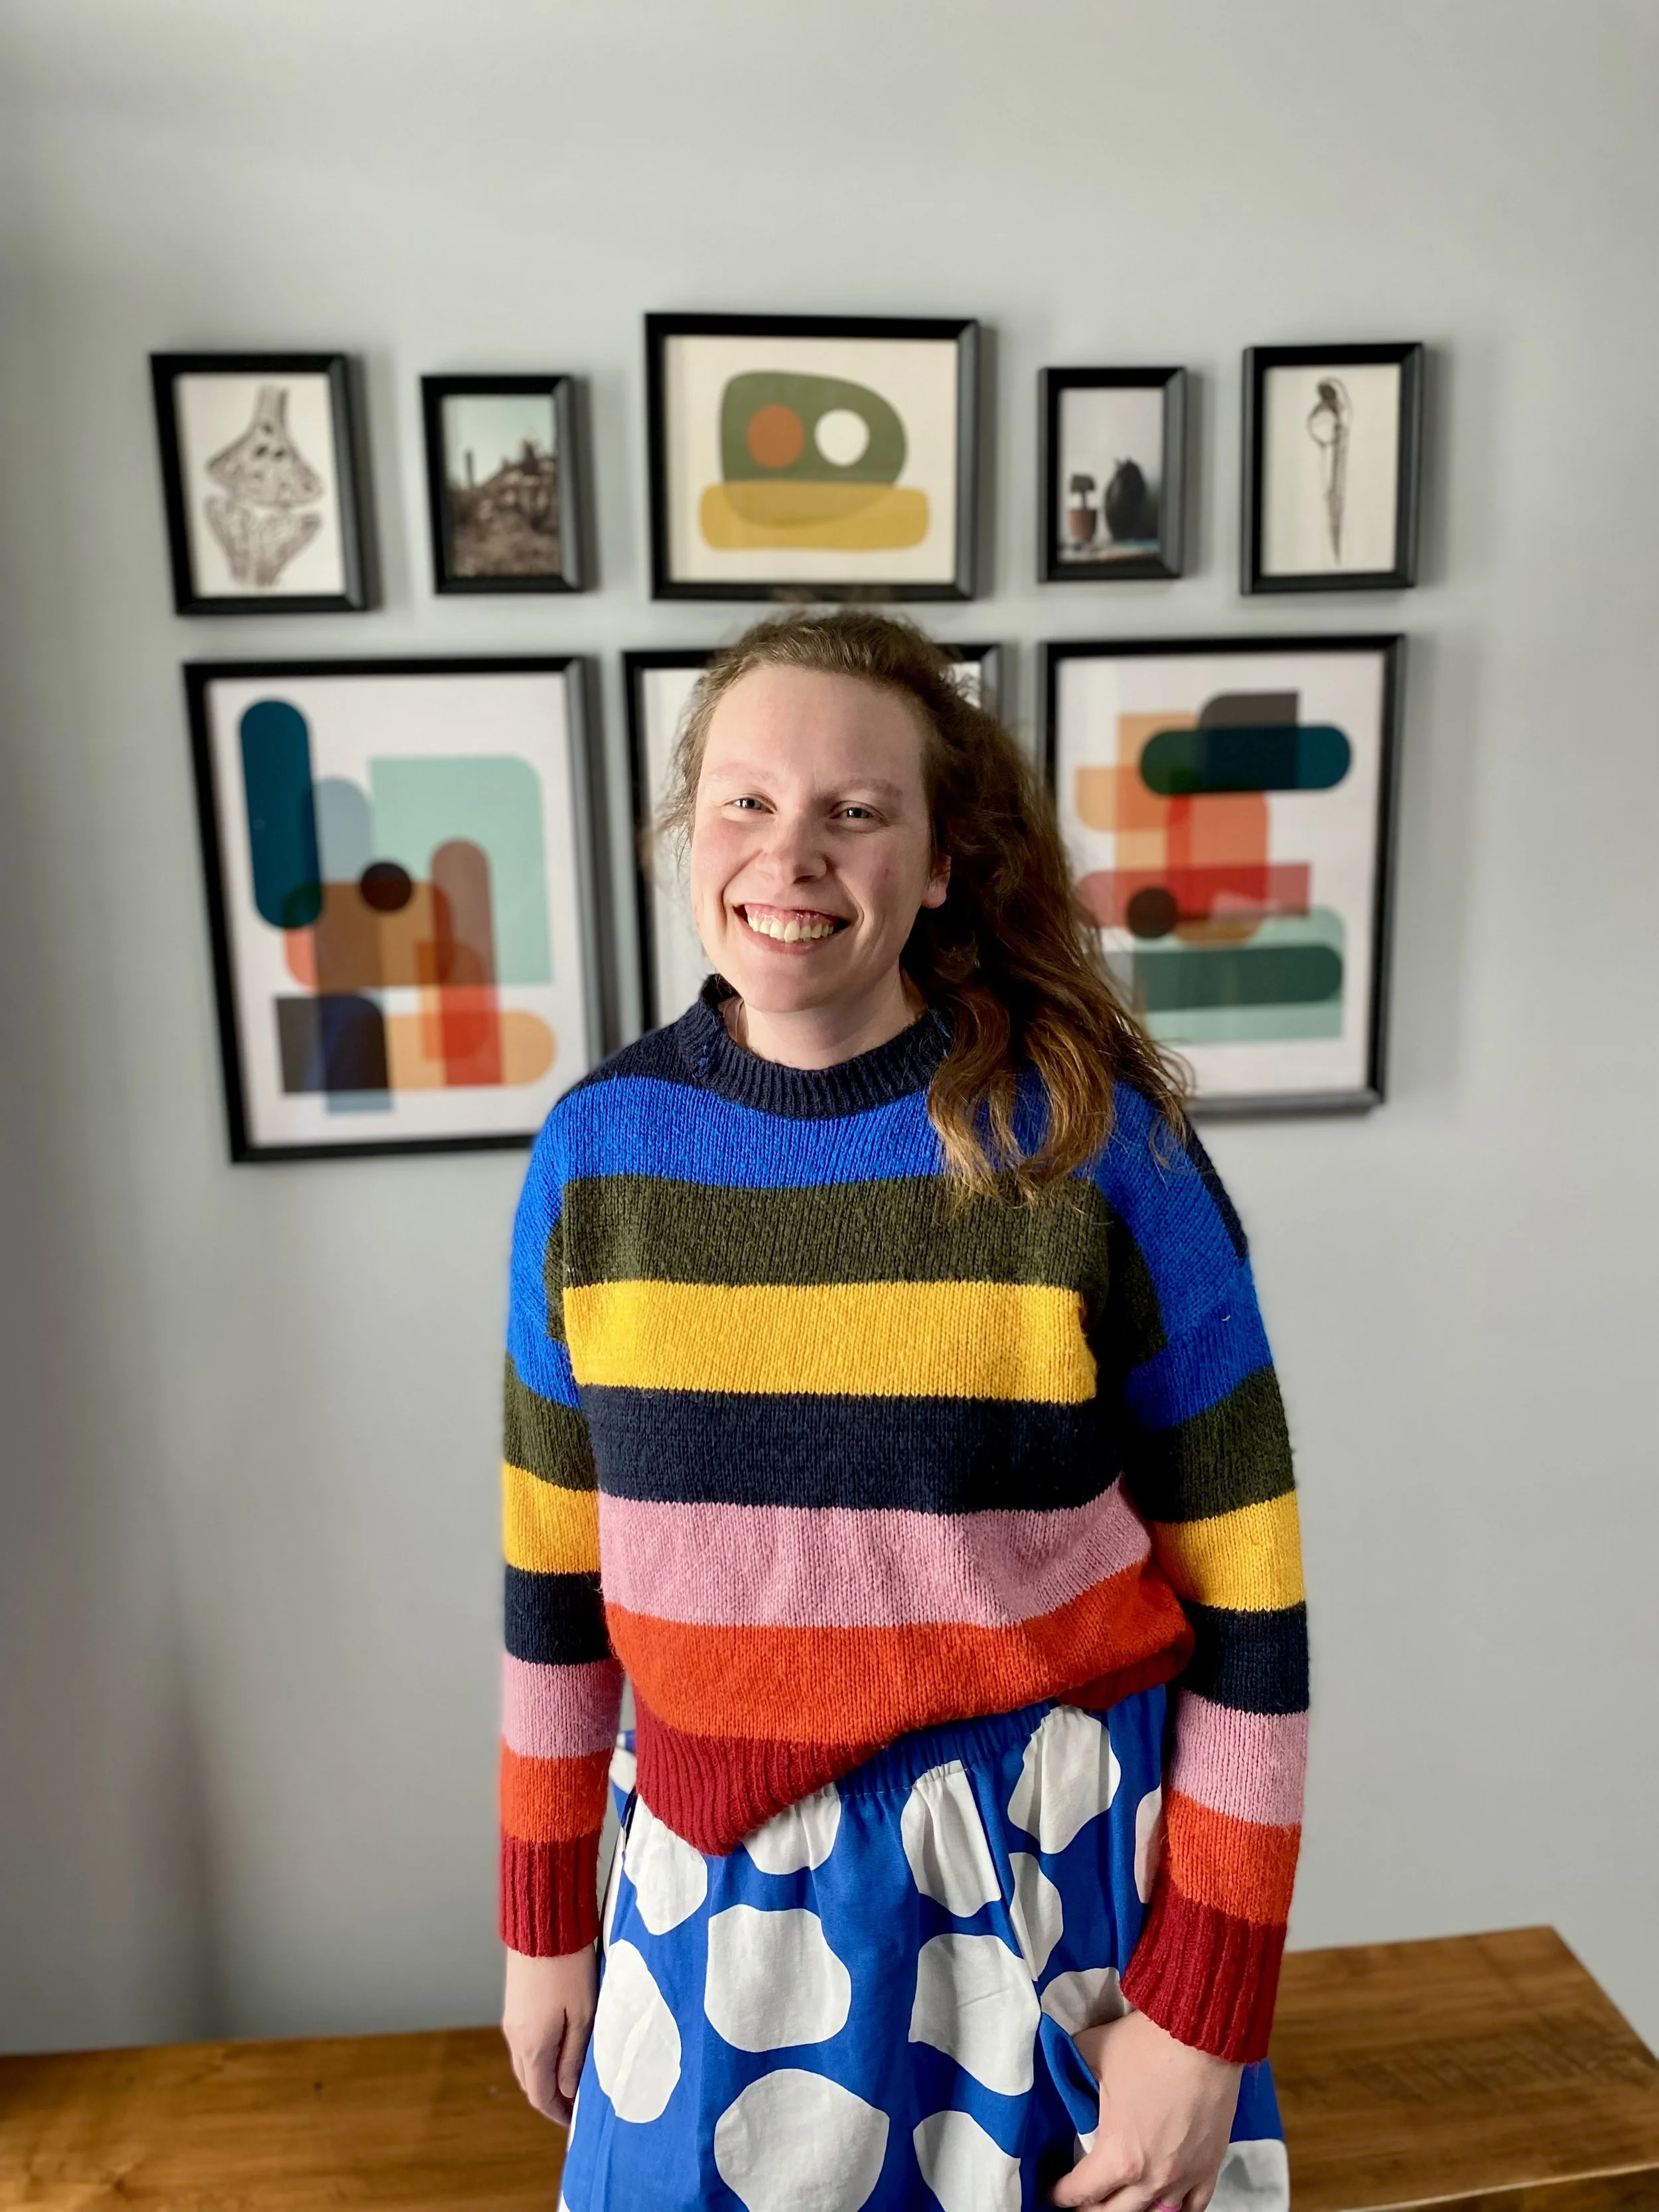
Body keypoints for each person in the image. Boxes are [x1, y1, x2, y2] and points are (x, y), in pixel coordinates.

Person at [498, 611, 1306, 2212]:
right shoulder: (593, 1158)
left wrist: (1204, 2014)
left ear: (938, 862)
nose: (787, 853)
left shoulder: (1091, 1150)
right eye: (744, 801)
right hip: (697, 1901)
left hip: (1047, 1896)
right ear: (688, 831)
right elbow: (552, 1583)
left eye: (854, 811)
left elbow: (1254, 1603)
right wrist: (542, 1921)